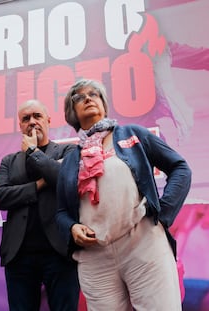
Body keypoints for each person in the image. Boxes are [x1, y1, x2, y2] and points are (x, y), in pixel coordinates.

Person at [56, 79, 192, 311]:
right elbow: (60, 212)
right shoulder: (69, 160)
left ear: (103, 103)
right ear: (72, 112)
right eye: (79, 97)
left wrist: (162, 214)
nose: (88, 98)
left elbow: (180, 169)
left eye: (94, 94)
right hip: (95, 257)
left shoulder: (132, 133)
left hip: (143, 243)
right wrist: (71, 228)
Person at [0, 99, 80, 311]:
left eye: (37, 116)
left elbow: (65, 179)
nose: (32, 122)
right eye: (26, 119)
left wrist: (33, 153)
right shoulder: (9, 161)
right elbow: (1, 197)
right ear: (20, 126)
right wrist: (40, 184)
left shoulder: (67, 152)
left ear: (48, 121)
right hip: (19, 255)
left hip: (59, 252)